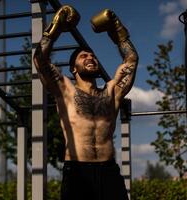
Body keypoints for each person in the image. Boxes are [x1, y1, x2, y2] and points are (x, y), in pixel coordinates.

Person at [33, 5, 138, 200]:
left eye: (93, 56)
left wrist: (118, 30)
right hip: (77, 172)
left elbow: (131, 60)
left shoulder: (111, 91)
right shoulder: (64, 89)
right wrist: (56, 26)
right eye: (84, 56)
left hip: (109, 172)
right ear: (73, 68)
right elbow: (40, 58)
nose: (90, 57)